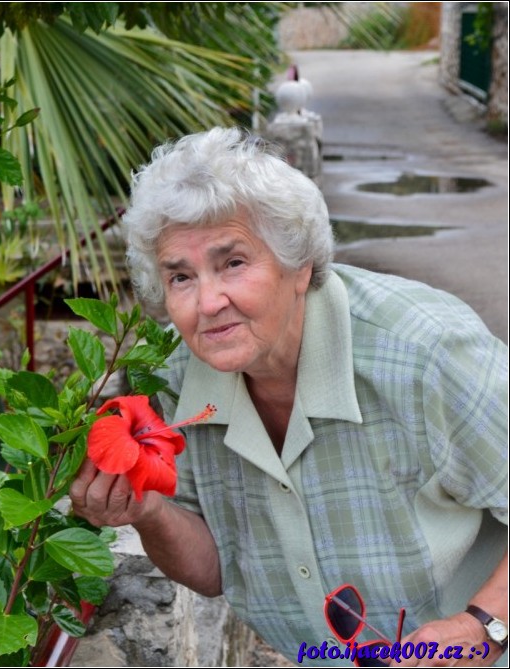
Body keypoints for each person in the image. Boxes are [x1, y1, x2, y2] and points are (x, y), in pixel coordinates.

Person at [69, 127, 509, 666]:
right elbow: (214, 569)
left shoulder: (428, 353)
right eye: (180, 276)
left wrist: (484, 627)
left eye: (232, 263)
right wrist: (148, 511)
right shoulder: (176, 381)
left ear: (299, 266)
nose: (208, 302)